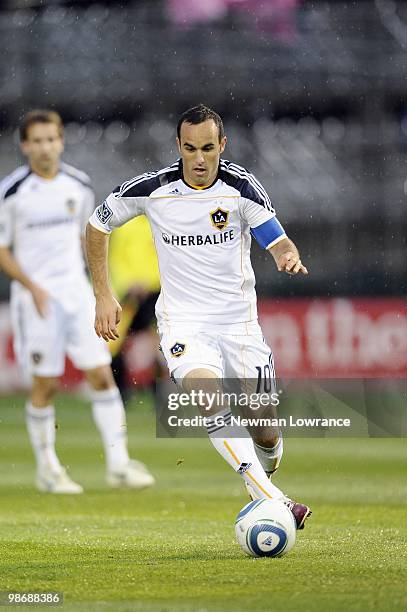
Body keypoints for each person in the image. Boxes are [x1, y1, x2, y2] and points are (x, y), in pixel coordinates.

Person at [86, 104, 311, 529]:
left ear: (222, 145)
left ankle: (268, 473)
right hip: (183, 323)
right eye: (190, 149)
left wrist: (286, 255)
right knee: (209, 399)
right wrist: (102, 292)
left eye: (209, 148)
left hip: (239, 325)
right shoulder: (153, 188)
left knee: (264, 428)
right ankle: (274, 499)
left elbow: (275, 238)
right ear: (179, 146)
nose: (200, 158)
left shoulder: (241, 187)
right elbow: (97, 225)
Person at [0, 110, 154, 494]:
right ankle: (48, 468)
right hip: (35, 300)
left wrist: (100, 290)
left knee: (102, 374)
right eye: (37, 140)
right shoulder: (13, 191)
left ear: (61, 140)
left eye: (51, 139)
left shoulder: (78, 186)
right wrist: (31, 286)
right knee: (45, 383)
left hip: (76, 293)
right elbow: (1, 249)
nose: (45, 147)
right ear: (25, 145)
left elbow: (92, 238)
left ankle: (118, 464)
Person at [107, 216, 162, 402]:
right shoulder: (124, 225)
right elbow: (116, 258)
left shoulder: (160, 221)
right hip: (130, 294)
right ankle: (120, 393)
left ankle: (159, 394)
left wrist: (152, 282)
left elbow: (165, 257)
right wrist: (129, 283)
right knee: (115, 342)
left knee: (161, 344)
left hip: (155, 292)